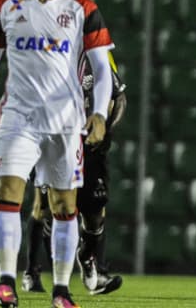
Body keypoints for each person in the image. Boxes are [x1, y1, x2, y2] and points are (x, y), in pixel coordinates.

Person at [0, 0, 114, 307]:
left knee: (63, 206)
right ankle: (6, 284)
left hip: (65, 122)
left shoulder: (82, 9)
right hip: (18, 118)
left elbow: (101, 68)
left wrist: (99, 112)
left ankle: (61, 292)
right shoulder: (6, 5)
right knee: (7, 193)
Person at [21, 55, 126, 295]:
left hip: (89, 147)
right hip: (52, 145)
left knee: (95, 213)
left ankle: (89, 260)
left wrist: (107, 129)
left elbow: (119, 97)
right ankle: (33, 271)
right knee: (44, 209)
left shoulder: (97, 58)